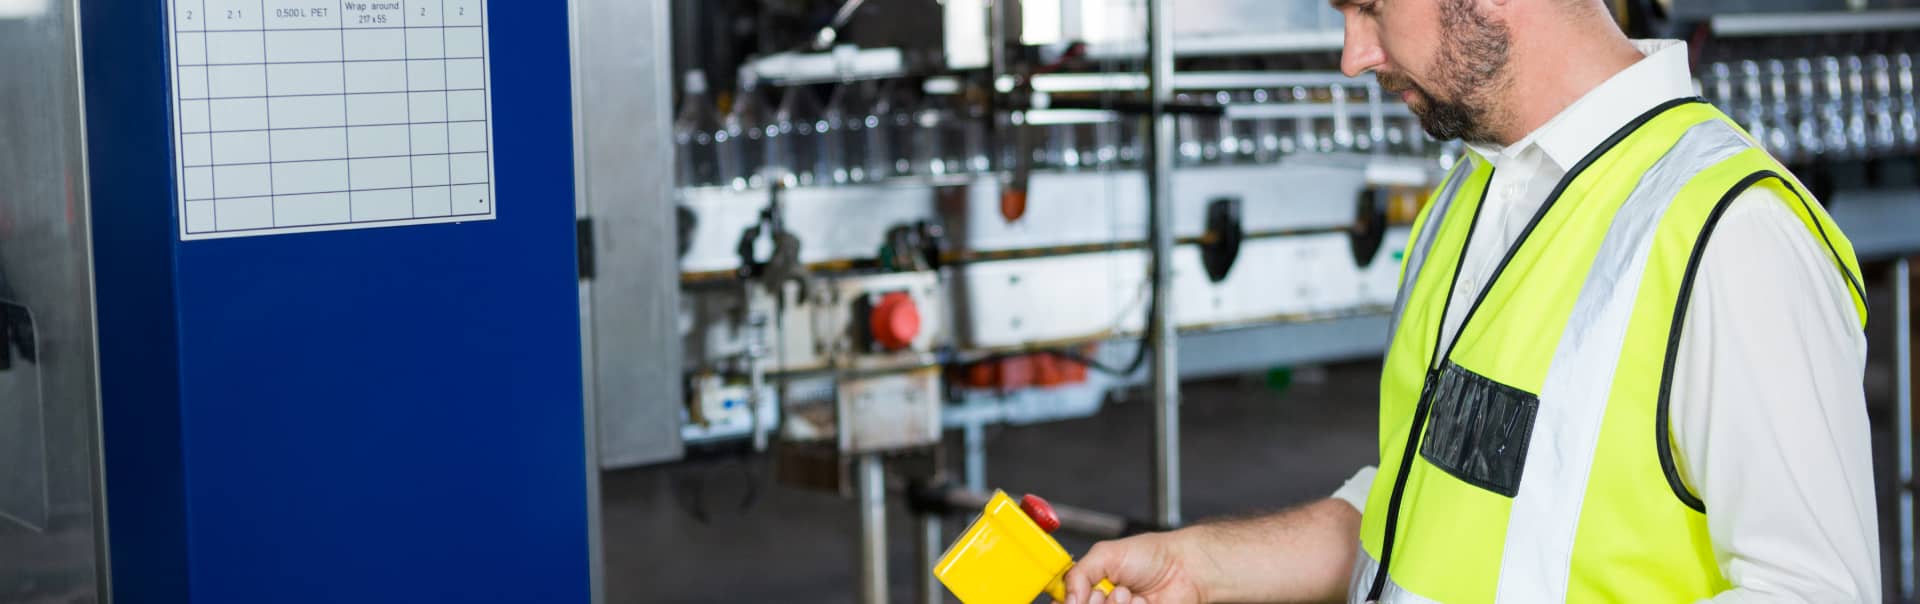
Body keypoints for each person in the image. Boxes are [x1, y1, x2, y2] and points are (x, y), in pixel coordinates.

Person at [1062, 0, 1882, 602]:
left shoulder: (1731, 232)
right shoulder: (1473, 194)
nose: (1353, 56)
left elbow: (1812, 592)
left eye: (1370, 9)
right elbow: (1424, 505)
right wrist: (1200, 568)